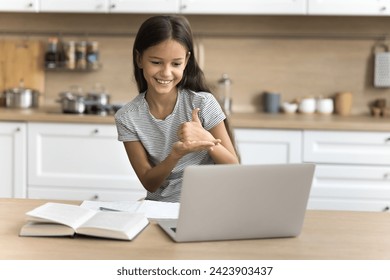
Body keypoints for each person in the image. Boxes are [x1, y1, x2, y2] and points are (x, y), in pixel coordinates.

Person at [115, 15, 239, 202]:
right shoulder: (127, 117)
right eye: (156, 62)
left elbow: (234, 167)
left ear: (186, 60)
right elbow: (149, 182)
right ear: (139, 59)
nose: (166, 72)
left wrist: (207, 140)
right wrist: (175, 155)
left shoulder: (203, 103)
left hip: (209, 203)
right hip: (161, 207)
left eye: (176, 64)